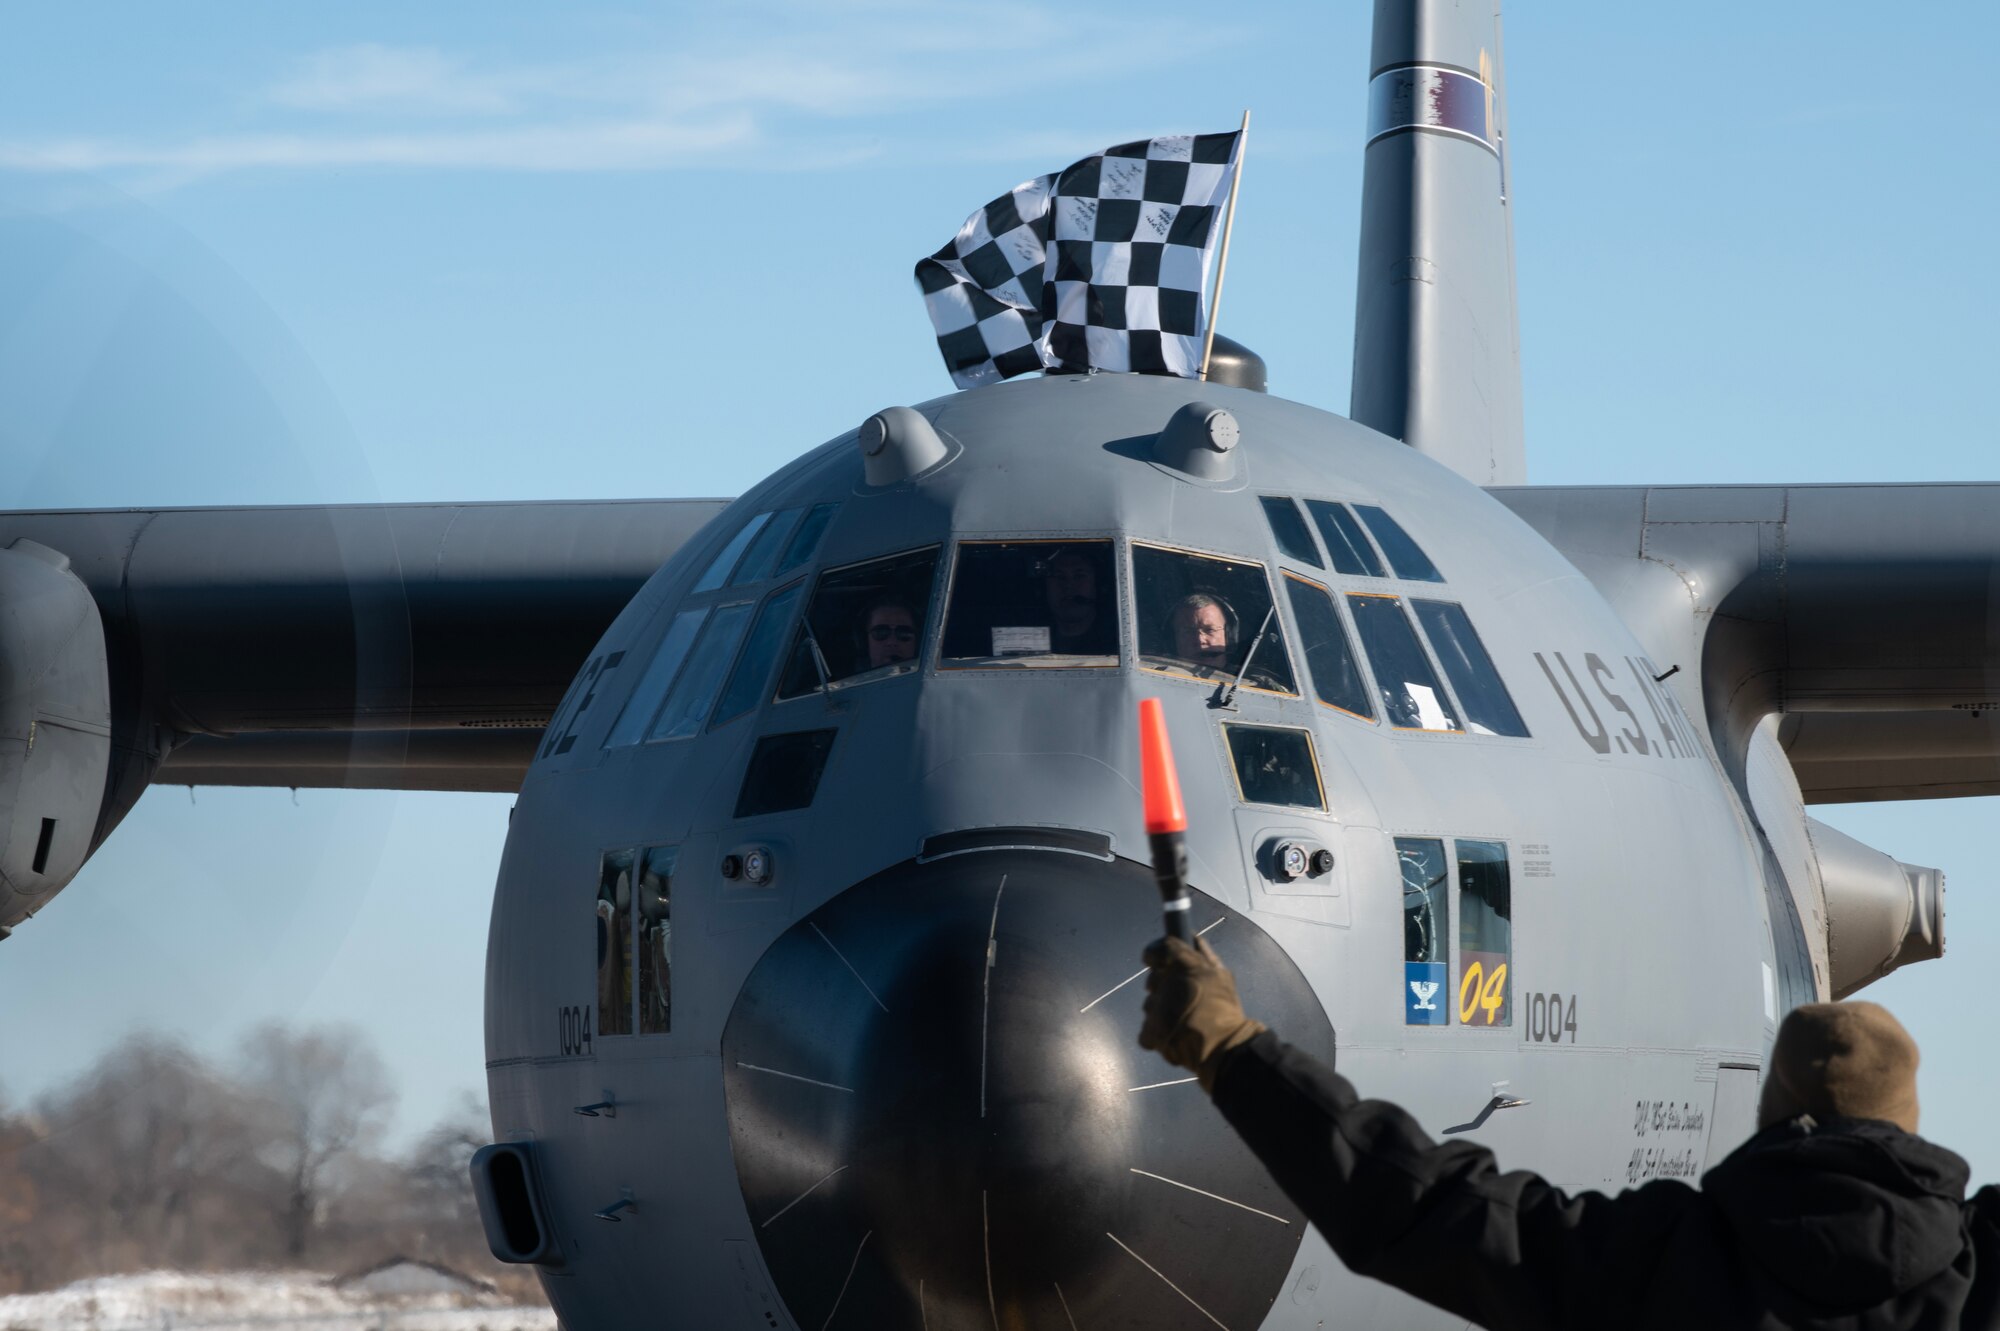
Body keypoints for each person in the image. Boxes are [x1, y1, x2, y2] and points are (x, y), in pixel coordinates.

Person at [1139, 938, 2000, 1329]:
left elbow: (1420, 1204)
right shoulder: (1978, 1278)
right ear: (1908, 1123)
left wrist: (1233, 1051)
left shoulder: (1660, 1263)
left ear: (1773, 1109)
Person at [1042, 548, 1115, 655]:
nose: (1068, 586)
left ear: (1097, 585)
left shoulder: (1115, 642)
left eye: (1079, 576)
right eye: (1059, 576)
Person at [1168, 592, 1234, 672]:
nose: (1200, 640)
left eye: (1210, 630)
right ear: (1174, 640)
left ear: (1228, 635)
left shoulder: (1247, 682)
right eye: (1188, 632)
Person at [859, 599, 919, 670]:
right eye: (880, 633)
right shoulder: (849, 681)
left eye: (904, 633)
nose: (892, 642)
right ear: (865, 641)